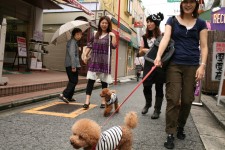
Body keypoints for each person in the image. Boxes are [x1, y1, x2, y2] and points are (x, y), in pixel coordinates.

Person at [154, 0, 208, 149]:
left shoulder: (201, 23)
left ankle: (181, 126)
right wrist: (158, 56)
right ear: (181, 3)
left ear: (196, 4)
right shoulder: (172, 20)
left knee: (187, 100)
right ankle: (170, 132)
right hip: (174, 65)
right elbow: (165, 38)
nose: (188, 4)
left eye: (191, 2)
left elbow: (204, 46)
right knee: (173, 98)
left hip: (192, 66)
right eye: (185, 1)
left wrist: (202, 66)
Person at [83, 16, 117, 109]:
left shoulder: (110, 35)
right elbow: (89, 46)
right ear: (100, 23)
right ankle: (87, 101)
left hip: (105, 61)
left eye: (106, 23)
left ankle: (103, 101)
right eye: (102, 22)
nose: (104, 24)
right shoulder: (95, 34)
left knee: (104, 82)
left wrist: (113, 36)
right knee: (90, 81)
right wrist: (85, 55)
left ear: (108, 24)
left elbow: (114, 46)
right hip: (94, 60)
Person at [137, 12, 165, 119]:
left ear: (156, 23)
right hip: (148, 64)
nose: (148, 24)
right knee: (146, 85)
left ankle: (157, 109)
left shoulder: (162, 37)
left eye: (151, 22)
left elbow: (164, 52)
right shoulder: (144, 37)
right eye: (147, 22)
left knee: (159, 87)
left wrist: (148, 51)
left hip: (159, 65)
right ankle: (148, 103)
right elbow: (139, 52)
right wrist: (143, 50)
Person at [59, 28, 83, 103]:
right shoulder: (72, 42)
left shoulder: (73, 42)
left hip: (70, 64)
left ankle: (69, 97)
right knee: (73, 81)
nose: (79, 36)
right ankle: (64, 95)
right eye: (77, 34)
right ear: (74, 35)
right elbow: (72, 55)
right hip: (71, 64)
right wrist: (73, 66)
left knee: (73, 81)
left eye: (80, 34)